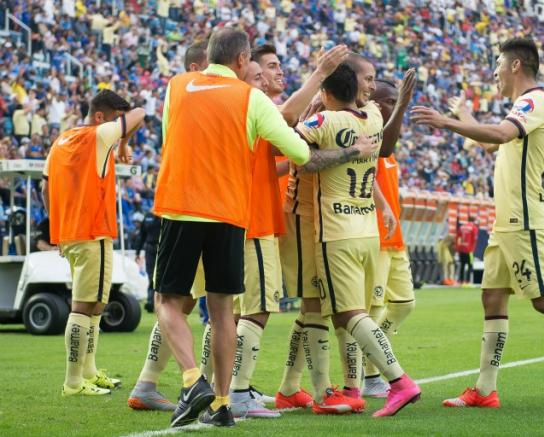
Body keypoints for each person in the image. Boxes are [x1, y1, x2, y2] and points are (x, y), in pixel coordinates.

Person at [154, 29, 375, 428]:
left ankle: (192, 380)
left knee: (168, 302)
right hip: (232, 215)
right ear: (242, 60)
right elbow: (299, 152)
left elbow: (171, 138)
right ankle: (222, 402)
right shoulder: (251, 99)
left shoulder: (177, 86)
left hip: (181, 206)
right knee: (224, 312)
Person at [411, 37, 544, 412]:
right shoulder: (520, 108)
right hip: (507, 221)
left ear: (515, 66)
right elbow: (493, 142)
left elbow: (499, 134)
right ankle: (485, 388)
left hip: (525, 220)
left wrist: (447, 122)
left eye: (497, 64)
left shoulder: (534, 101)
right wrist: (463, 115)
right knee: (492, 297)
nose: (494, 72)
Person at [227, 45, 352, 419]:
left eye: (276, 68)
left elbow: (271, 164)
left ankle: (232, 385)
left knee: (233, 311)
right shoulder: (253, 104)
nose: (272, 75)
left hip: (248, 219)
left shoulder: (242, 109)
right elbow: (296, 149)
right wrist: (319, 74)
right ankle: (235, 392)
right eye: (264, 69)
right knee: (260, 307)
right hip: (257, 220)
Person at [297, 63, 421, 418]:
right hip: (368, 230)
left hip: (335, 232)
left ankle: (398, 382)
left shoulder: (325, 123)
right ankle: (351, 388)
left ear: (326, 91)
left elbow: (298, 155)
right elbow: (384, 147)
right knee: (354, 314)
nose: (370, 86)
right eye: (367, 79)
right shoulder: (371, 118)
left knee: (349, 314)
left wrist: (308, 116)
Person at [127, 40, 212, 413]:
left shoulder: (191, 94)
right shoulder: (186, 91)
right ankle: (220, 388)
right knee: (182, 301)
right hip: (194, 209)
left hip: (199, 207)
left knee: (185, 301)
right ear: (197, 68)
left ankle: (150, 382)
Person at [43, 89, 145, 396]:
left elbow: (47, 187)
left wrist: (56, 229)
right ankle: (74, 382)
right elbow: (139, 114)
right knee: (84, 306)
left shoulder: (61, 141)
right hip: (93, 232)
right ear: (100, 117)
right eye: (115, 120)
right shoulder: (98, 136)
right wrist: (124, 140)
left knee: (96, 305)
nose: (117, 128)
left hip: (71, 233)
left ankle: (88, 372)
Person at [364, 77, 418, 398]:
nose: (391, 105)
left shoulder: (391, 139)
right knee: (371, 311)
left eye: (394, 100)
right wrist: (402, 106)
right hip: (376, 239)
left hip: (395, 238)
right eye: (387, 100)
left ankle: (372, 358)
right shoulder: (371, 134)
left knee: (403, 306)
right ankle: (371, 376)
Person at [135, 209, 160, 313]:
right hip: (150, 249)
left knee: (160, 276)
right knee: (151, 276)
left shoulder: (165, 215)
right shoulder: (148, 216)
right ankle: (151, 302)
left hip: (162, 249)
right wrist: (137, 252)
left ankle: (160, 302)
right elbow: (142, 235)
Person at [456, 216, 479, 284]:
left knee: (462, 265)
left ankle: (461, 280)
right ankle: (468, 281)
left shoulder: (462, 227)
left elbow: (458, 237)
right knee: (470, 265)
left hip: (461, 248)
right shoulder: (474, 228)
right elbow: (474, 239)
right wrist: (472, 249)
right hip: (469, 250)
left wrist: (458, 247)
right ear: (474, 221)